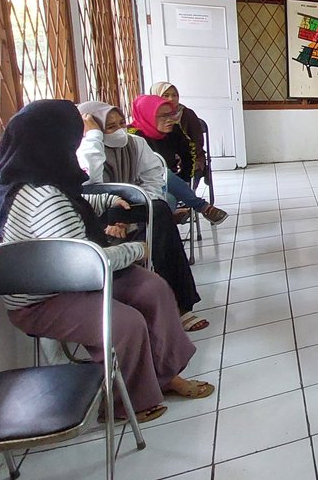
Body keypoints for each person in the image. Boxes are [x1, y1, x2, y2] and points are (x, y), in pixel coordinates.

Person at [0, 100, 212, 424]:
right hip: (47, 297)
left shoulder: (44, 176)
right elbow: (84, 265)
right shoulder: (38, 196)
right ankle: (127, 401)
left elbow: (74, 203)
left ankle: (163, 376)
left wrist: (106, 200)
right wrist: (136, 250)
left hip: (77, 278)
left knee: (153, 289)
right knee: (126, 323)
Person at [78, 101, 208, 331]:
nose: (119, 131)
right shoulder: (82, 149)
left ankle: (179, 303)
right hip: (95, 213)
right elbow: (88, 185)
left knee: (159, 212)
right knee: (156, 221)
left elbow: (154, 180)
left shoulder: (135, 143)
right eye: (110, 127)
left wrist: (130, 209)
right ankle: (146, 301)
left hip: (133, 204)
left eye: (121, 123)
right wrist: (94, 139)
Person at [129, 95, 229, 224]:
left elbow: (189, 153)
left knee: (168, 196)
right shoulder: (133, 137)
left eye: (171, 114)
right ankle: (202, 207)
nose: (169, 120)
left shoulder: (174, 130)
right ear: (147, 115)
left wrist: (185, 180)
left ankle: (159, 231)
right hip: (141, 186)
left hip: (169, 185)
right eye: (163, 116)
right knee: (161, 172)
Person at [150, 82, 208, 186]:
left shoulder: (187, 114)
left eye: (174, 95)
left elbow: (197, 142)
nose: (171, 99)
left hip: (190, 154)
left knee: (187, 170)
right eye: (166, 95)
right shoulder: (149, 117)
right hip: (161, 158)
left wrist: (182, 156)